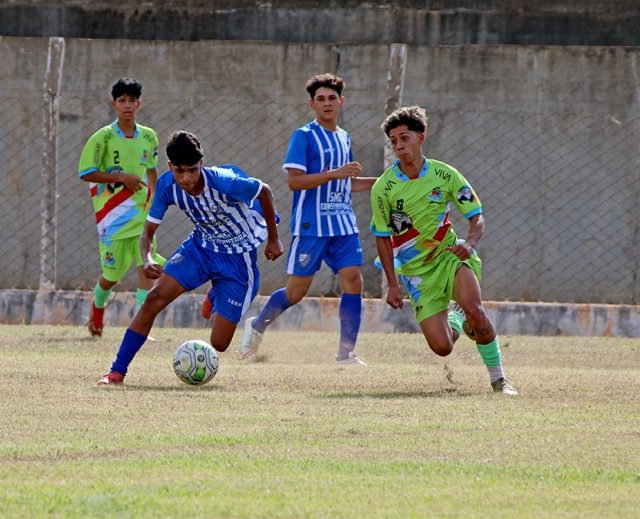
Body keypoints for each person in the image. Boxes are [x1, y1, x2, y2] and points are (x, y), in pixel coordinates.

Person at [97, 131, 284, 385]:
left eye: (193, 170)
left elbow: (264, 191)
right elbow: (148, 232)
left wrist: (273, 238)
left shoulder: (224, 182)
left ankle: (215, 293)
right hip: (201, 248)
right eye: (180, 171)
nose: (186, 178)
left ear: (202, 164)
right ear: (171, 166)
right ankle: (117, 372)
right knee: (153, 299)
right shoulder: (166, 186)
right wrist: (148, 257)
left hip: (237, 258)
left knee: (219, 343)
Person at [370, 105, 517, 396]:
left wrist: (469, 243)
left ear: (420, 138)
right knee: (442, 348)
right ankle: (455, 317)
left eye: (404, 138)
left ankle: (500, 381)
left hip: (449, 257)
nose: (399, 146)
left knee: (477, 311)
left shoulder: (445, 175)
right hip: (416, 273)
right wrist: (392, 284)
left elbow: (476, 215)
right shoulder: (383, 188)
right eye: (394, 141)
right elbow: (382, 237)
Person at [234, 73, 376, 364]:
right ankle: (257, 325)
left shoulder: (344, 137)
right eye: (320, 99)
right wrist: (334, 173)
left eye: (332, 98)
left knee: (353, 279)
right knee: (297, 292)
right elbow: (294, 182)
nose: (327, 103)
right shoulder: (304, 136)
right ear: (311, 104)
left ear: (341, 102)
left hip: (343, 224)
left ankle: (346, 353)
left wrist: (383, 182)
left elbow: (346, 183)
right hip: (311, 225)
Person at [78, 77, 163, 338]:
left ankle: (141, 323)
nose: (127, 105)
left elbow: (151, 170)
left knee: (145, 267)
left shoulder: (148, 136)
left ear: (140, 103)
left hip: (141, 214)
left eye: (132, 101)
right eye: (122, 100)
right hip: (112, 218)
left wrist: (155, 199)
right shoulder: (102, 138)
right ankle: (98, 306)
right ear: (114, 104)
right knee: (111, 275)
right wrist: (122, 177)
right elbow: (87, 172)